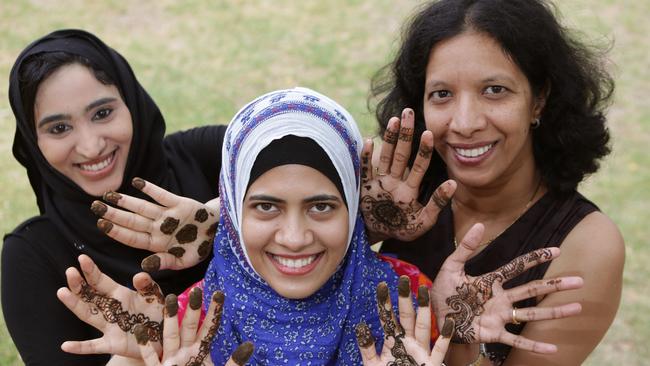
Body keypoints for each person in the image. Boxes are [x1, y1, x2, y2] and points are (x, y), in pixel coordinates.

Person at [63, 87, 583, 365]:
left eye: (321, 207)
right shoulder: (183, 328)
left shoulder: (405, 307)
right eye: (265, 207)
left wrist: (460, 339)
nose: (294, 237)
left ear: (355, 210)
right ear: (229, 211)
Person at [363, 0, 624, 364]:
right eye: (442, 94)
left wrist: (461, 340)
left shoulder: (587, 246)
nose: (465, 122)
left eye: (494, 90)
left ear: (539, 99)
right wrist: (364, 233)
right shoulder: (393, 187)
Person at [2, 29, 226, 365]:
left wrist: (224, 217)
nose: (91, 146)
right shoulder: (32, 257)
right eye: (59, 128)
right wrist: (141, 351)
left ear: (131, 103)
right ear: (34, 144)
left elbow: (323, 157)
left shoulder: (205, 159)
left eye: (102, 113)